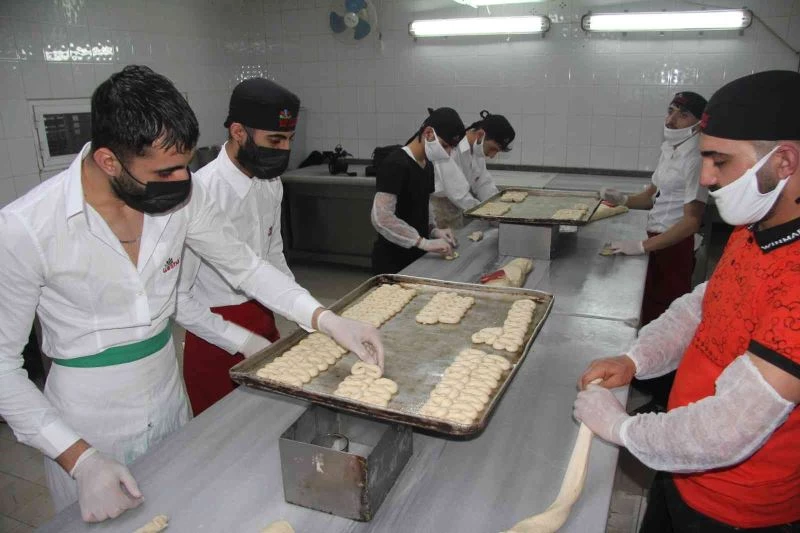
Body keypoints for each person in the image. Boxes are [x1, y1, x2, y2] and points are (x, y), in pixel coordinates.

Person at [0, 65, 383, 523]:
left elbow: (246, 265)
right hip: (87, 418)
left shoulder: (181, 194)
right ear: (108, 161)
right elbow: (3, 368)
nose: (183, 181)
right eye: (166, 171)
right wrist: (78, 458)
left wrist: (327, 320)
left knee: (182, 511)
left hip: (167, 396)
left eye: (185, 165)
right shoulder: (26, 229)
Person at [574, 70, 800, 532]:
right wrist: (636, 358)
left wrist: (622, 429)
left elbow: (731, 426)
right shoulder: (754, 229)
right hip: (683, 466)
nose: (706, 177)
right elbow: (702, 306)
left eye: (720, 160)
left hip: (738, 507)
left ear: (784, 161)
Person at [176, 78, 299, 416]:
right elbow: (178, 299)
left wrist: (303, 310)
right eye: (275, 140)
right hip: (214, 335)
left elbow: (273, 255)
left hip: (263, 318)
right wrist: (242, 341)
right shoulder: (200, 193)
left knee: (272, 422)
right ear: (238, 132)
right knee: (224, 431)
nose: (284, 149)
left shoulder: (270, 183)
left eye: (289, 139)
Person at [602, 92, 708, 410]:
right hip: (655, 239)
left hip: (673, 247)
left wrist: (641, 246)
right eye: (671, 111)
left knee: (666, 319)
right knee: (648, 313)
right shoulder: (670, 149)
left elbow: (690, 222)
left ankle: (663, 398)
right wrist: (623, 199)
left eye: (682, 115)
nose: (671, 120)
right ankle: (644, 382)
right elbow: (651, 196)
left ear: (699, 123)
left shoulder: (696, 158)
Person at [370, 107, 465, 274]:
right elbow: (382, 218)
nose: (448, 153)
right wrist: (423, 242)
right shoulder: (396, 163)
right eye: (444, 146)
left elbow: (423, 206)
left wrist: (434, 230)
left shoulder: (427, 165)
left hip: (417, 257)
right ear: (428, 133)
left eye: (451, 148)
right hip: (393, 260)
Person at [430, 110, 516, 229]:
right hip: (437, 207)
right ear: (480, 135)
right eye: (493, 149)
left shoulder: (477, 153)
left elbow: (483, 183)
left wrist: (498, 206)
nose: (492, 156)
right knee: (441, 239)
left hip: (456, 205)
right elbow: (456, 191)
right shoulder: (453, 146)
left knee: (456, 239)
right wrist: (484, 211)